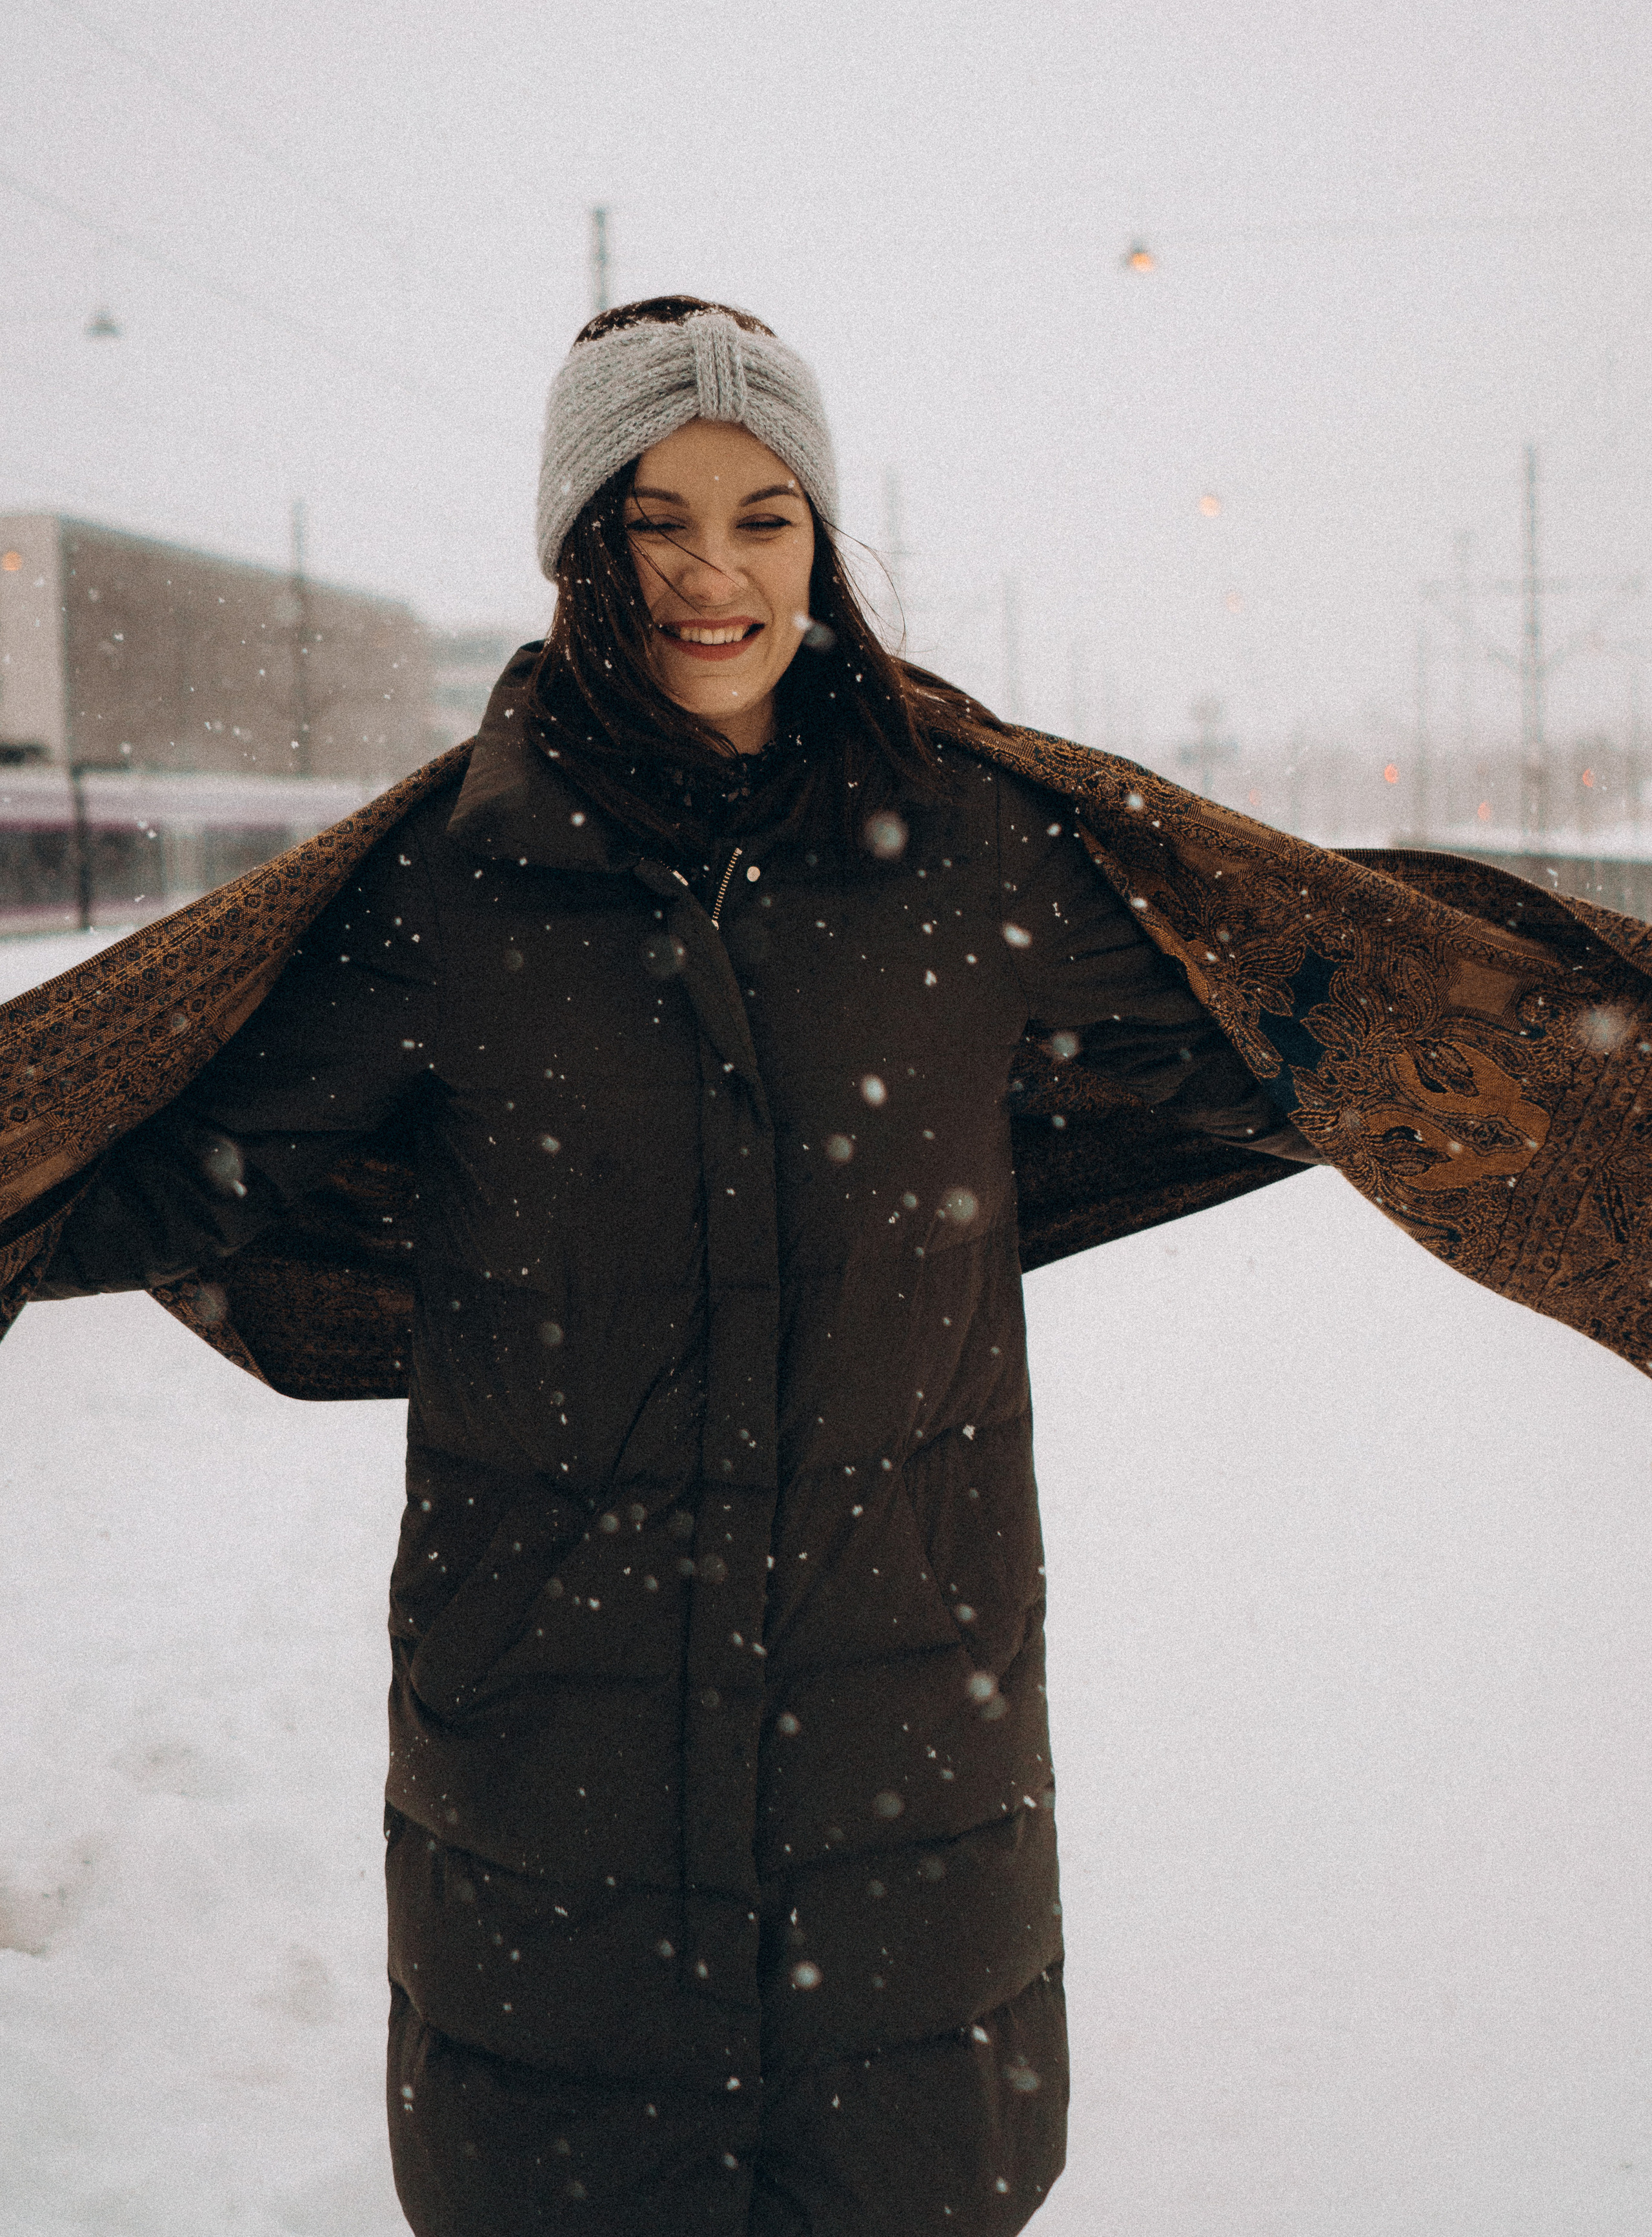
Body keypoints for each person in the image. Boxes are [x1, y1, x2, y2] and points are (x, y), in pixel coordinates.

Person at [7, 297, 1646, 2233]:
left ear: (823, 543)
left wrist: (1541, 1051)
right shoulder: (442, 894)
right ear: (576, 548)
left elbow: (1310, 993)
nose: (716, 573)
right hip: (553, 1761)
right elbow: (179, 1151)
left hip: (906, 1733)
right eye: (657, 519)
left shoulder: (974, 854)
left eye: (766, 516)